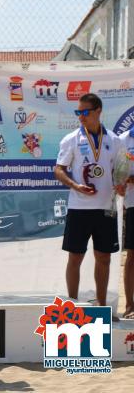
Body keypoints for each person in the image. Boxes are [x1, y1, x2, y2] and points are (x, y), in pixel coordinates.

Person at [54, 93, 122, 306]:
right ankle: (72, 307)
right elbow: (59, 170)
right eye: (78, 112)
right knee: (75, 258)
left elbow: (120, 170)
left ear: (98, 111)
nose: (81, 116)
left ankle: (102, 306)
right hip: (79, 208)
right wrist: (75, 186)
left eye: (85, 112)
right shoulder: (71, 139)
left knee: (104, 258)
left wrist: (120, 183)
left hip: (106, 208)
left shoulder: (114, 140)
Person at [117, 129, 134, 319]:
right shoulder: (123, 140)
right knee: (132, 256)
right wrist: (122, 180)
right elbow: (119, 171)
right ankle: (130, 305)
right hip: (133, 203)